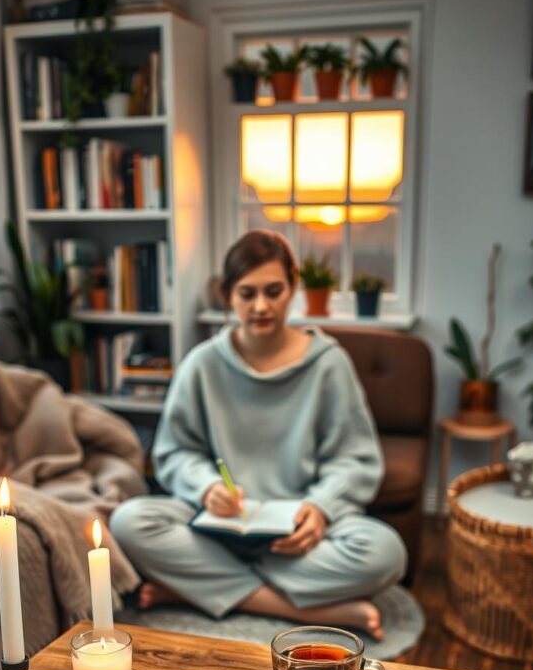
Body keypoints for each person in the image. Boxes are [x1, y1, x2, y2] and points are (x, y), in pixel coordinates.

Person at [110, 230, 407, 639]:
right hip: (217, 529)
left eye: (274, 291)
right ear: (227, 295)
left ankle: (192, 588)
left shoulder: (329, 364)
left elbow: (355, 459)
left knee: (386, 554)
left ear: (294, 287)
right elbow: (175, 451)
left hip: (298, 537)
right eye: (247, 294)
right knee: (128, 521)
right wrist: (206, 487)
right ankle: (293, 608)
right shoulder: (202, 364)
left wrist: (320, 509)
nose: (261, 306)